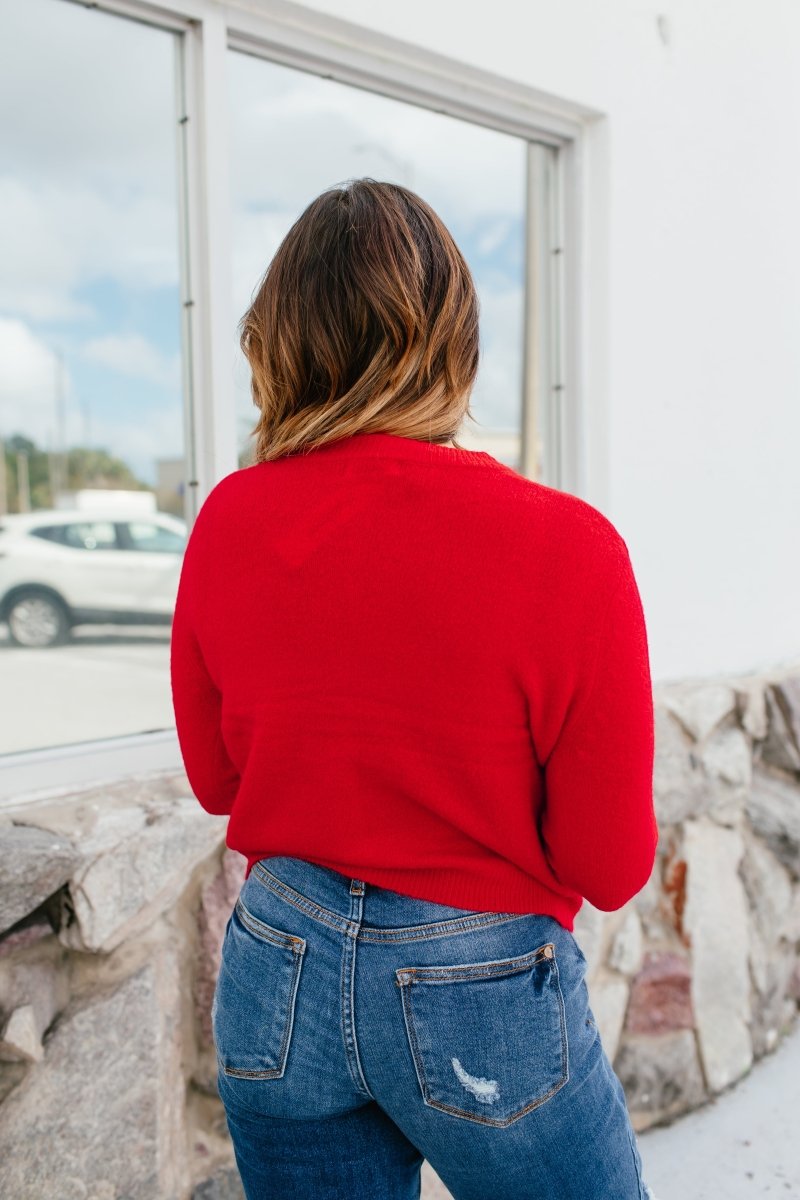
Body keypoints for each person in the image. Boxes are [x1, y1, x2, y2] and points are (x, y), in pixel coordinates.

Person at [170, 178, 660, 1200]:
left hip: (278, 966)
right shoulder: (568, 548)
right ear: (452, 337)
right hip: (479, 990)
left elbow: (220, 781)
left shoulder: (231, 518)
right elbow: (606, 864)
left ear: (281, 337)